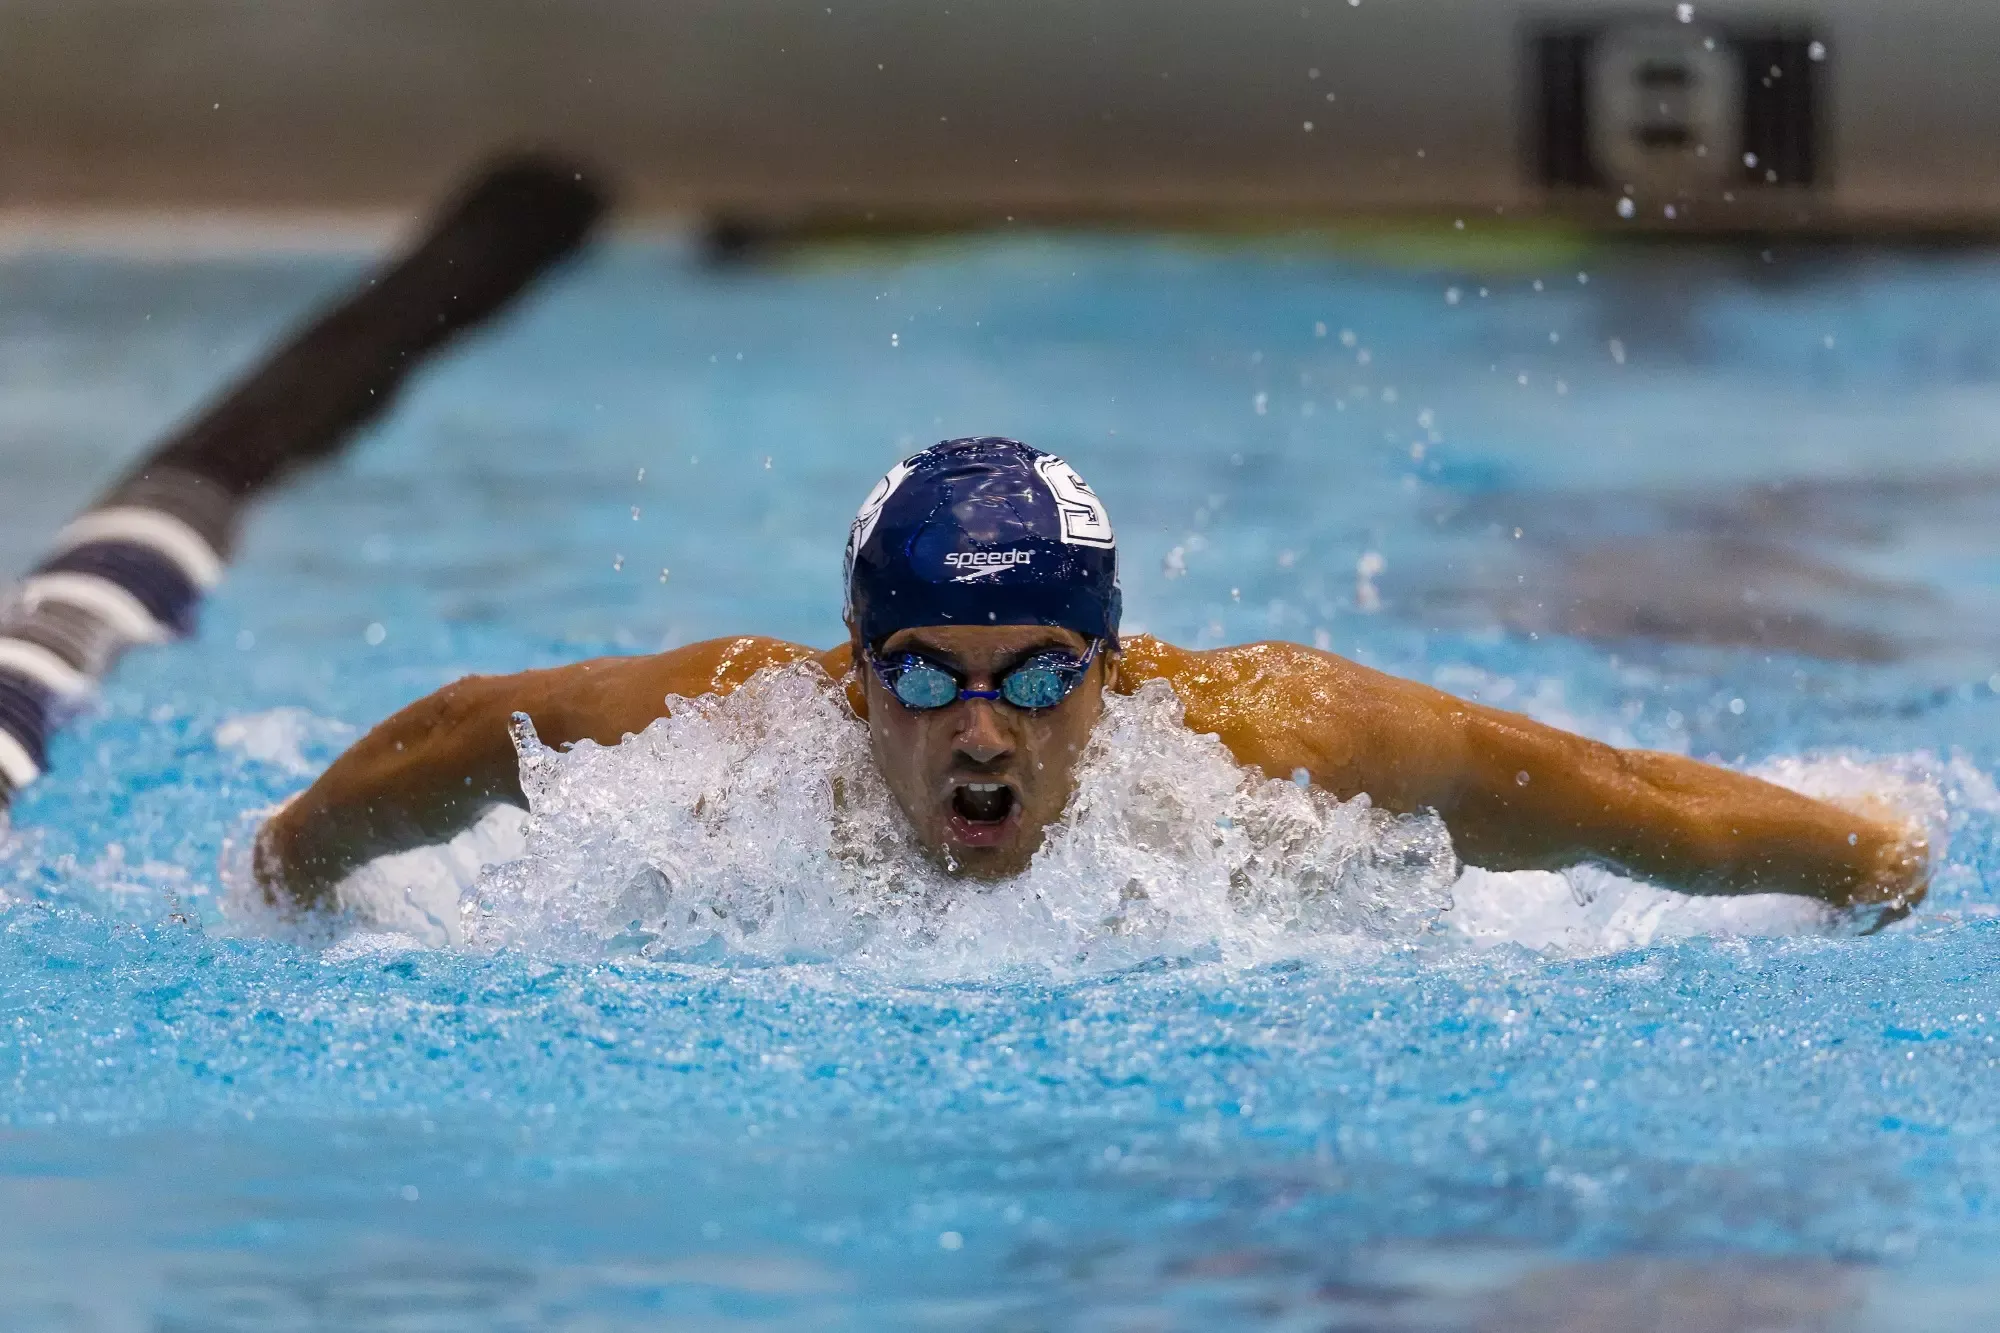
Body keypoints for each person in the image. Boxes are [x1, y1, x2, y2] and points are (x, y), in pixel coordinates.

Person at [254, 436, 1929, 919]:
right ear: (854, 677)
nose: (979, 732)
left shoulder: (1277, 744)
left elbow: (1621, 809)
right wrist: (291, 867)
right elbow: (467, 730)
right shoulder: (746, 724)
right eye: (922, 681)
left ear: (1115, 678)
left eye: (1039, 678)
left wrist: (1868, 858)